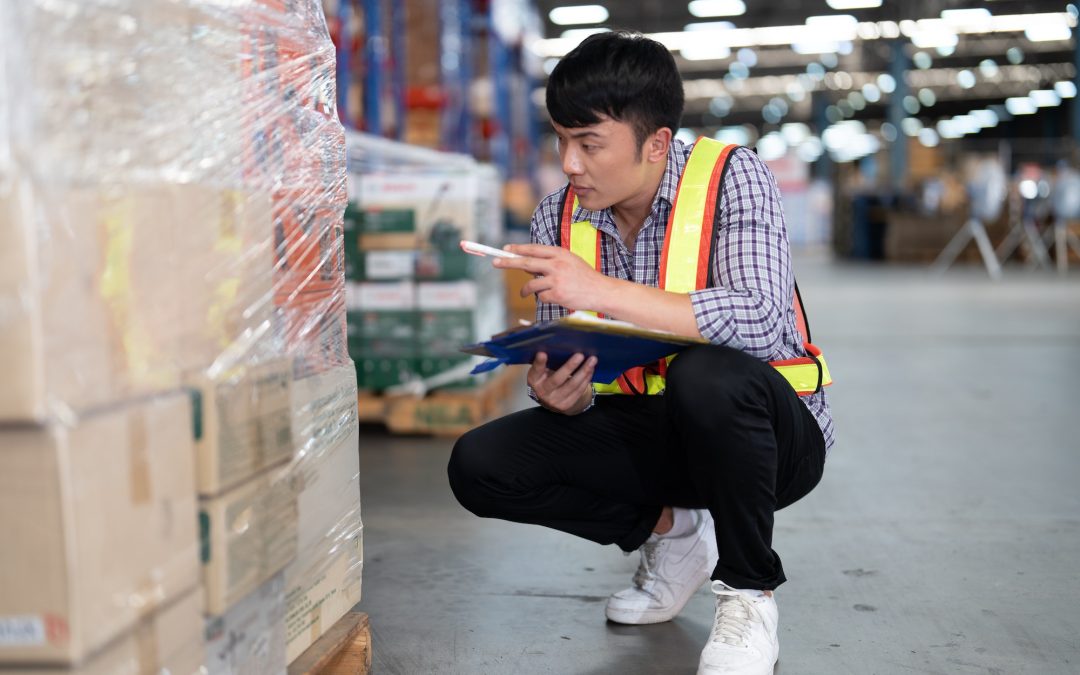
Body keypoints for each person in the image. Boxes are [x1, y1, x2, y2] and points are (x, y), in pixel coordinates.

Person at [448, 30, 833, 675]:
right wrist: (558, 393)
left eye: (590, 144)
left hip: (767, 442)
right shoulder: (558, 216)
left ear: (656, 143)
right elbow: (569, 352)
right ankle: (671, 533)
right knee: (480, 465)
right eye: (561, 140)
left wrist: (600, 290)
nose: (570, 163)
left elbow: (763, 322)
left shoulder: (735, 181)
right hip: (654, 440)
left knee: (709, 375)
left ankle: (747, 593)